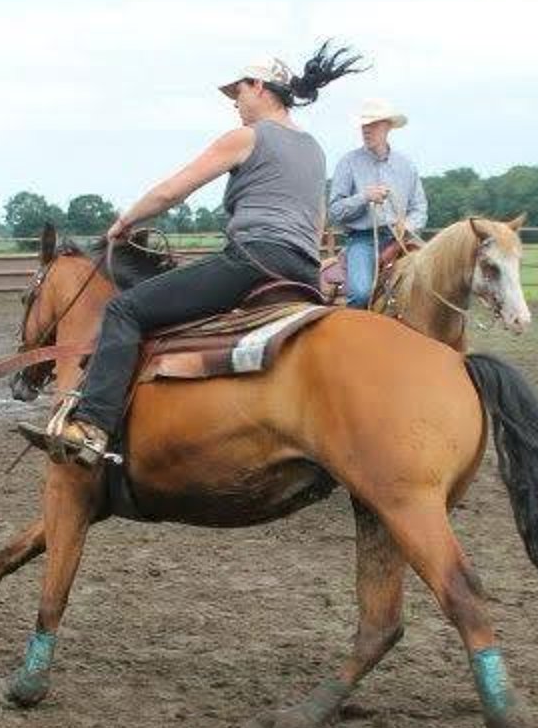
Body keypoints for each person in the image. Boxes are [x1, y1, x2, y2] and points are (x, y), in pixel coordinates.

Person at [44, 43, 365, 467]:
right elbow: (318, 219)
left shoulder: (248, 137)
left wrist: (125, 221)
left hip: (252, 262)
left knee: (124, 310)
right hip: (303, 273)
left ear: (259, 87)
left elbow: (174, 189)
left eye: (239, 94)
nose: (236, 104)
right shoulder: (314, 149)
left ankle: (92, 425)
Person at [327, 98, 427, 308]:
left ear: (388, 126)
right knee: (362, 293)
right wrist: (364, 197)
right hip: (363, 240)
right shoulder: (348, 163)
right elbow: (335, 211)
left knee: (434, 284)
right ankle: (356, 338)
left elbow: (419, 209)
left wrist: (406, 227)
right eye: (364, 125)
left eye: (373, 124)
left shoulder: (406, 165)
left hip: (401, 239)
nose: (367, 130)